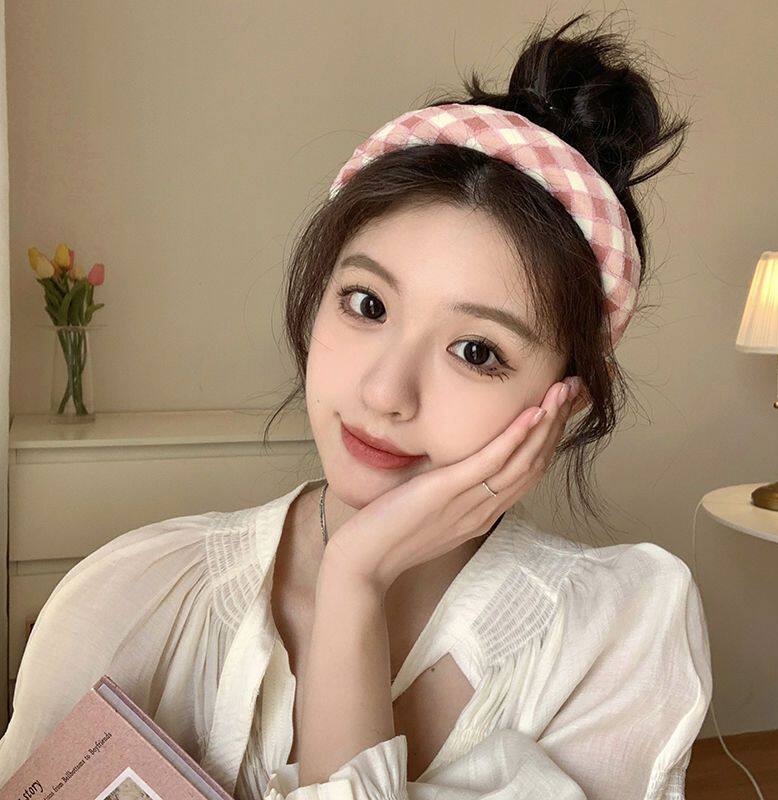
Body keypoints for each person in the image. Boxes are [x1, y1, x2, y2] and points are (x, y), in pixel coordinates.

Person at [0, 11, 712, 800]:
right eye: (367, 304)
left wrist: (354, 583)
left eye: (477, 352)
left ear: (565, 402)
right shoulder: (133, 595)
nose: (384, 392)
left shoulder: (615, 634)